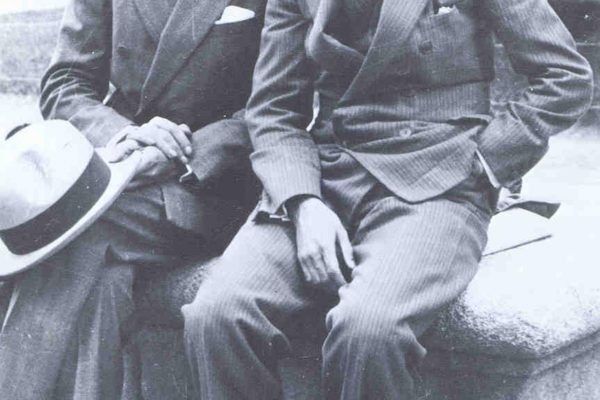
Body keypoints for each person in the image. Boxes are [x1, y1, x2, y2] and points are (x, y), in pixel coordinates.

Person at [182, 0, 593, 399]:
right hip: (326, 175)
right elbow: (274, 109)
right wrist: (303, 202)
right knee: (218, 316)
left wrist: (485, 160)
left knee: (368, 331)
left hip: (439, 178)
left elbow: (565, 77)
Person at [0, 0, 266, 398]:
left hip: (211, 184)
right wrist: (122, 135)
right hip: (116, 164)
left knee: (63, 231)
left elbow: (278, 104)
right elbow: (66, 81)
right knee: (99, 280)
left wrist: (180, 152)